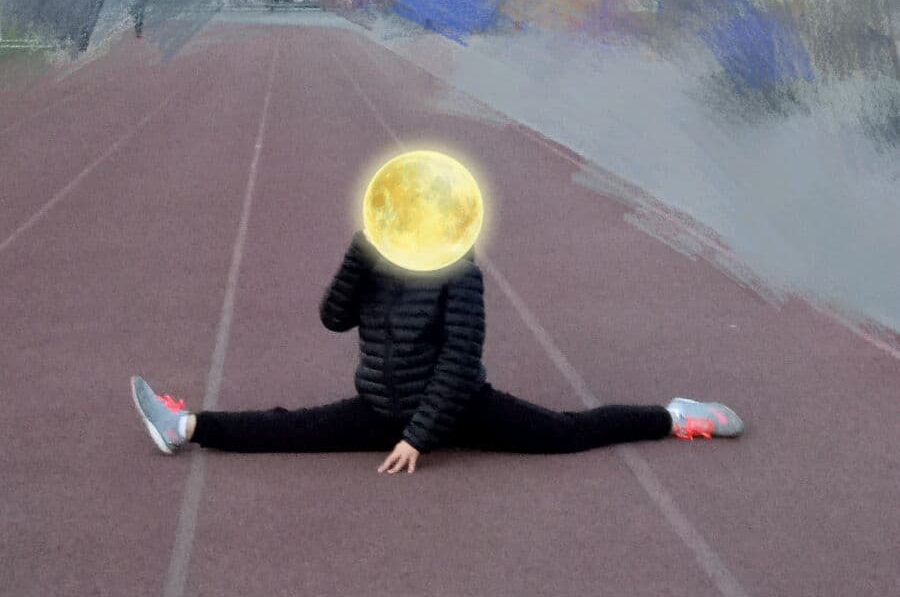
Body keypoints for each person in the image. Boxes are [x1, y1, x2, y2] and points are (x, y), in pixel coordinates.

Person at [131, 231, 744, 474]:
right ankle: (182, 424)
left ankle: (676, 416)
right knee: (292, 428)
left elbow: (457, 360)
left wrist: (420, 437)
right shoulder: (375, 260)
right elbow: (332, 318)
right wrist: (357, 255)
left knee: (563, 433)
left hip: (457, 407)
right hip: (379, 405)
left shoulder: (460, 272)